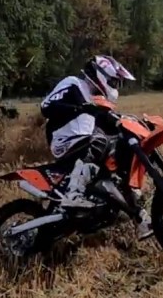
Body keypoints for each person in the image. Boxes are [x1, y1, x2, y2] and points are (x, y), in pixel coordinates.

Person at [40, 54, 153, 240]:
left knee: (118, 151)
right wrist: (80, 108)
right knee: (100, 141)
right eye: (114, 82)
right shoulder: (74, 83)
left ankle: (138, 215)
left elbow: (108, 124)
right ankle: (73, 193)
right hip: (62, 139)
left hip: (84, 141)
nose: (116, 87)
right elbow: (46, 106)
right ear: (102, 76)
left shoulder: (98, 100)